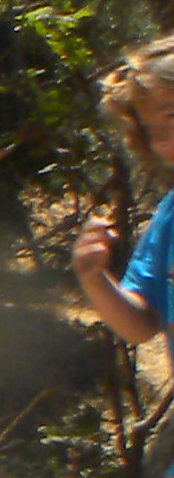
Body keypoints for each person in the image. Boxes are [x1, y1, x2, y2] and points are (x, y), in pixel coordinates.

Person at [75, 35, 174, 384]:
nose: (164, 139)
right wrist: (94, 278)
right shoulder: (170, 215)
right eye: (152, 130)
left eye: (172, 115)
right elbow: (141, 325)